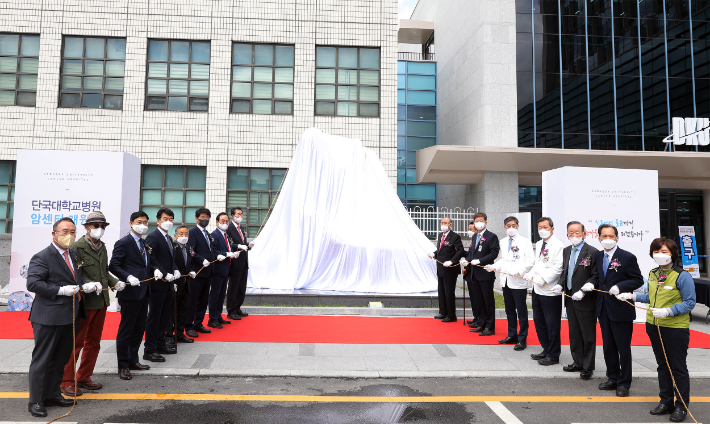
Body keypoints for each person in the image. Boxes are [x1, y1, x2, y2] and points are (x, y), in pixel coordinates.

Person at [617, 238, 696, 422]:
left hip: (675, 328)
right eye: (657, 251)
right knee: (662, 365)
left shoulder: (682, 276)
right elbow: (650, 297)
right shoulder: (653, 273)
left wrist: (669, 311)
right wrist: (631, 296)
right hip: (654, 326)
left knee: (677, 368)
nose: (660, 255)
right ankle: (666, 401)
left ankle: (681, 407)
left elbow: (690, 303)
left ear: (673, 254)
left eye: (664, 252)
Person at [26, 217, 89, 417]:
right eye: (64, 231)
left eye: (72, 232)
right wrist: (60, 290)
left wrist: (86, 284)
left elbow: (77, 276)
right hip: (48, 316)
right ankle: (36, 400)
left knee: (60, 359)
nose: (69, 235)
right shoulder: (42, 256)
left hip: (70, 316)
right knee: (43, 359)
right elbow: (33, 283)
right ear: (54, 234)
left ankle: (52, 393)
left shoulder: (74, 255)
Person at [60, 212, 122, 397]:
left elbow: (104, 272)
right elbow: (75, 272)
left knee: (94, 343)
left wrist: (114, 282)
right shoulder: (77, 247)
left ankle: (84, 376)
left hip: (101, 301)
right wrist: (85, 283)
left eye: (102, 226)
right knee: (76, 343)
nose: (99, 229)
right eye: (95, 226)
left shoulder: (101, 246)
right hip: (85, 302)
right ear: (87, 227)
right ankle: (67, 381)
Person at [582, 223, 643, 397]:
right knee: (608, 346)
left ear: (617, 237)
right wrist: (590, 284)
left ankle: (624, 383)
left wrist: (620, 286)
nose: (607, 239)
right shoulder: (598, 256)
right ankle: (613, 378)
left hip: (620, 309)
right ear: (599, 238)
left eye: (611, 236)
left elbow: (637, 280)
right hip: (603, 308)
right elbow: (597, 278)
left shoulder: (627, 257)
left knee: (622, 347)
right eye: (604, 236)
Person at [109, 211, 162, 381]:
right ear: (131, 223)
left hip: (144, 291)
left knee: (139, 329)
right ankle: (123, 365)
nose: (143, 225)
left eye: (146, 222)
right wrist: (128, 277)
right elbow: (113, 265)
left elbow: (150, 261)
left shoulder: (144, 243)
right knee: (126, 329)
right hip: (131, 292)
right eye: (140, 222)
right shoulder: (123, 243)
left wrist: (155, 269)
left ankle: (133, 360)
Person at [486, 216, 534, 351]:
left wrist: (517, 271)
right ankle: (512, 334)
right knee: (509, 310)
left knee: (521, 311)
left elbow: (530, 262)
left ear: (517, 226)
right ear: (504, 227)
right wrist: (493, 266)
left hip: (518, 281)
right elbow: (503, 260)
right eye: (508, 225)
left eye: (513, 225)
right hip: (506, 281)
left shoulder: (525, 242)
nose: (511, 228)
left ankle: (522, 338)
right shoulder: (503, 241)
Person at [560, 221, 598, 380]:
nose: (574, 235)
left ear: (585, 233)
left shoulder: (593, 252)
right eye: (571, 232)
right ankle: (577, 362)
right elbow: (566, 272)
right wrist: (559, 286)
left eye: (577, 232)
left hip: (585, 299)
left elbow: (595, 276)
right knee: (574, 332)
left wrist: (584, 291)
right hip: (570, 298)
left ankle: (588, 367)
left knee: (587, 334)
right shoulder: (566, 250)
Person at [524, 217, 564, 366]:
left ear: (552, 229)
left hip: (550, 290)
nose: (542, 230)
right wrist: (531, 274)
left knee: (552, 324)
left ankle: (553, 354)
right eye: (540, 227)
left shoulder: (558, 245)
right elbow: (538, 263)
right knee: (539, 322)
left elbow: (558, 268)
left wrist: (545, 279)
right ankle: (546, 349)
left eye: (545, 227)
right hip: (537, 289)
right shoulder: (540, 243)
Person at [143, 208, 179, 362]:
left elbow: (171, 259)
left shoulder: (169, 238)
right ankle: (149, 349)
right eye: (165, 219)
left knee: (165, 316)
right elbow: (152, 260)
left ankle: (160, 342)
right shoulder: (152, 237)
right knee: (155, 316)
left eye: (171, 219)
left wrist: (176, 269)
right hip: (158, 284)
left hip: (169, 284)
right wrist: (164, 273)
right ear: (158, 220)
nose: (168, 222)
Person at [459, 213, 500, 336]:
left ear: (486, 222)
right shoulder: (475, 236)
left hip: (485, 274)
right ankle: (481, 324)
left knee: (488, 301)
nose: (478, 223)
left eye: (481, 220)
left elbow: (494, 253)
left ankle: (490, 327)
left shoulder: (491, 236)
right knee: (479, 301)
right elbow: (472, 253)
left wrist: (480, 261)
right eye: (476, 221)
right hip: (474, 274)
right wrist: (466, 262)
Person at [185, 208, 218, 338]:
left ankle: (198, 322)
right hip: (197, 271)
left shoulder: (207, 233)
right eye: (202, 217)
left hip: (208, 271)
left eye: (207, 217)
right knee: (193, 299)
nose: (205, 220)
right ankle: (188, 325)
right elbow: (191, 250)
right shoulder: (192, 233)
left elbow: (210, 250)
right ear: (197, 218)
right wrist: (201, 259)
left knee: (203, 300)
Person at [165, 225, 197, 344]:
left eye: (186, 234)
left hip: (185, 284)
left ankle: (179, 333)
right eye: (181, 234)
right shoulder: (173, 247)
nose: (184, 236)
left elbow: (190, 263)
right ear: (175, 235)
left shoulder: (188, 248)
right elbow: (170, 263)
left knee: (183, 309)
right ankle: (168, 335)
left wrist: (192, 270)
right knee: (171, 311)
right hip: (175, 284)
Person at [429, 217, 464, 322]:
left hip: (450, 269)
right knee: (441, 291)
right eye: (442, 223)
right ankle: (443, 312)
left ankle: (451, 315)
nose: (443, 224)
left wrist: (452, 261)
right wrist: (434, 254)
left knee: (449, 292)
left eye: (446, 223)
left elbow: (460, 251)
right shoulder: (441, 235)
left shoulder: (455, 237)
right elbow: (440, 250)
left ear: (450, 225)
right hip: (440, 268)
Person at [207, 212, 235, 328]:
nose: (225, 223)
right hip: (218, 270)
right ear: (217, 222)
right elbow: (213, 252)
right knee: (215, 295)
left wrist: (233, 253)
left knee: (222, 294)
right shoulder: (214, 235)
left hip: (226, 269)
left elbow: (228, 247)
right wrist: (226, 254)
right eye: (222, 221)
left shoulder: (226, 235)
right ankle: (212, 319)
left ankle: (218, 316)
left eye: (227, 221)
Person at [226, 207, 251, 320]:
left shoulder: (242, 228)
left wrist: (248, 246)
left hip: (244, 261)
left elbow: (243, 243)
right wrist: (238, 246)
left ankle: (237, 307)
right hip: (235, 262)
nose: (240, 216)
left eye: (241, 214)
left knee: (241, 287)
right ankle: (231, 310)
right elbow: (228, 244)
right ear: (232, 215)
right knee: (233, 286)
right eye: (238, 214)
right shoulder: (229, 228)